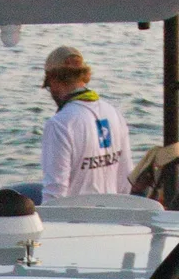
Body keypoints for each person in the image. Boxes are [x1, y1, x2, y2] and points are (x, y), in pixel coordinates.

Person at [39, 47, 133, 199]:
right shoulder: (114, 113)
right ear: (84, 77)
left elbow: (55, 191)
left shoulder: (60, 124)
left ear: (53, 80)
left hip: (76, 219)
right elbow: (125, 182)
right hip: (113, 214)